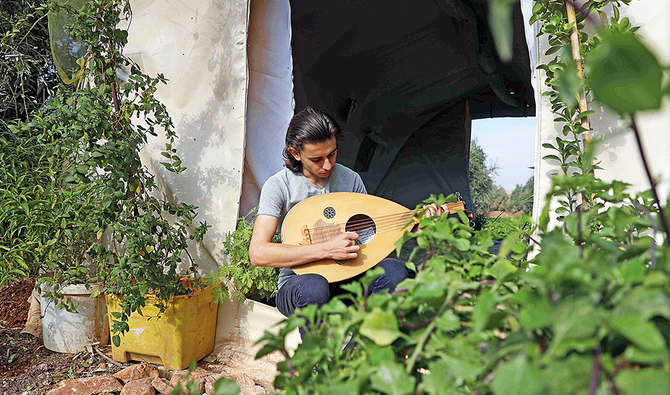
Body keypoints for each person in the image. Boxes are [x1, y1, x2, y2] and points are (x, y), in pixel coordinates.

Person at [249, 106, 408, 318]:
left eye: (332, 154)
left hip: (350, 278)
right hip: (300, 284)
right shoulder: (279, 186)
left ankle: (361, 347)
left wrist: (410, 223)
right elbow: (258, 253)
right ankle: (316, 351)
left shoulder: (351, 180)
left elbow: (371, 238)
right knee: (314, 286)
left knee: (395, 271)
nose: (327, 165)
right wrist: (326, 250)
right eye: (317, 159)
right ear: (295, 153)